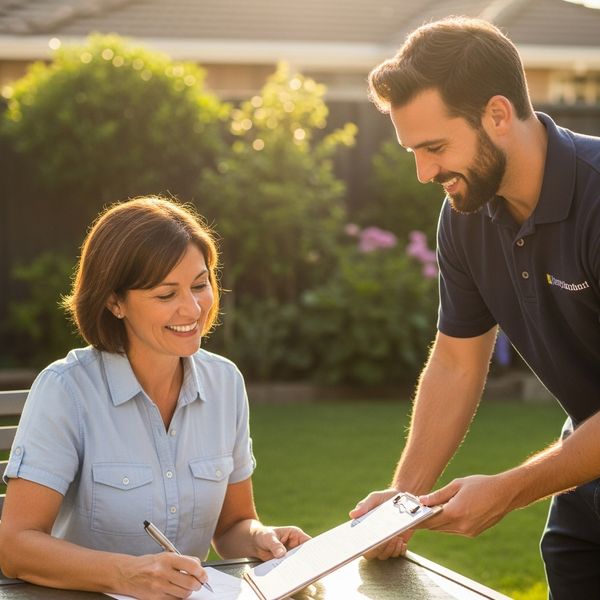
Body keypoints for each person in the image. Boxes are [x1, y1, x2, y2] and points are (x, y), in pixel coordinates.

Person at [349, 16, 600, 599]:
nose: (424, 172)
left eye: (435, 147)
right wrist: (404, 500)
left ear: (497, 114)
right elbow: (458, 361)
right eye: (414, 150)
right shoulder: (466, 217)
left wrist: (510, 488)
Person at [0, 197, 309, 599]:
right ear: (115, 302)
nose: (192, 308)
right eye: (166, 295)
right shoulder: (66, 390)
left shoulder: (225, 383)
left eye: (200, 285)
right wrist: (127, 574)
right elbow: (15, 546)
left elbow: (232, 526)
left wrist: (260, 538)